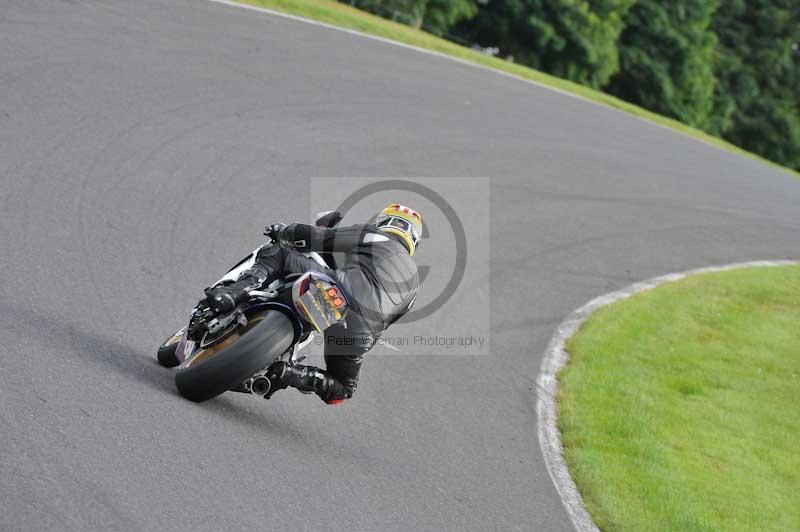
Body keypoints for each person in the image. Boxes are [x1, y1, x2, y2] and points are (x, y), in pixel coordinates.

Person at [205, 204, 422, 405]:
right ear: (414, 240)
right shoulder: (414, 286)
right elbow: (386, 321)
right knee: (342, 390)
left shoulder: (376, 235)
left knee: (279, 253)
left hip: (338, 290)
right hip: (360, 332)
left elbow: (320, 238)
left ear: (384, 221)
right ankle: (294, 374)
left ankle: (234, 293)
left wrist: (283, 231)